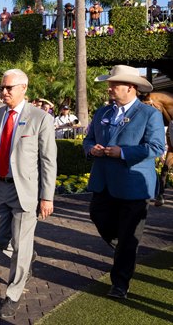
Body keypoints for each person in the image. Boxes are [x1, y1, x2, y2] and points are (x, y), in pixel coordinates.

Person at [0, 69, 57, 319]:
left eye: (9, 88)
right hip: (0, 187)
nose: (4, 92)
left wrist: (47, 196)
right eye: (2, 88)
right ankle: (27, 256)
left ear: (24, 88)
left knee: (21, 244)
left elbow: (48, 161)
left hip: (26, 191)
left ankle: (13, 295)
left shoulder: (40, 118)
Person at [83, 65, 165, 300]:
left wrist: (123, 153)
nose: (109, 87)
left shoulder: (150, 114)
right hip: (104, 183)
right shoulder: (103, 113)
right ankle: (124, 248)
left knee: (128, 238)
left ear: (131, 88)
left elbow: (156, 147)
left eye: (114, 84)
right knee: (98, 216)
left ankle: (120, 284)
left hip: (133, 186)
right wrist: (92, 149)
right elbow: (88, 140)